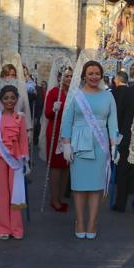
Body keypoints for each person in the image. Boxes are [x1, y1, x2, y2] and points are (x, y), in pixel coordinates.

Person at [61, 59, 119, 239]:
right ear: (84, 75)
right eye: (90, 73)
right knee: (79, 186)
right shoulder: (75, 95)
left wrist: (114, 145)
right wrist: (66, 144)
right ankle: (79, 221)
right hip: (78, 145)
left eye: (97, 73)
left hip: (100, 144)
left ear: (101, 76)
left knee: (96, 186)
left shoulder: (108, 96)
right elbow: (67, 120)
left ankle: (92, 222)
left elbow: (113, 122)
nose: (94, 76)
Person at [0, 84, 30, 240]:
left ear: (16, 99)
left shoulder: (20, 118)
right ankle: (2, 227)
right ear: (1, 100)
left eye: (12, 98)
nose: (9, 101)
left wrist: (26, 161)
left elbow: (23, 140)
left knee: (16, 194)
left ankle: (16, 228)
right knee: (0, 194)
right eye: (6, 98)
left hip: (16, 160)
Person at [44, 66, 73, 211]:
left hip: (70, 132)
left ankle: (61, 196)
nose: (68, 79)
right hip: (56, 131)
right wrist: (54, 108)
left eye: (70, 76)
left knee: (66, 165)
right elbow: (47, 114)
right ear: (60, 77)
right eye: (66, 76)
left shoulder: (73, 93)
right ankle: (54, 198)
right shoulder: (53, 92)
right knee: (56, 166)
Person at [111, 70, 134, 212]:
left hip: (126, 133)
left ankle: (121, 202)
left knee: (124, 168)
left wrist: (117, 134)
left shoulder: (128, 91)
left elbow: (119, 113)